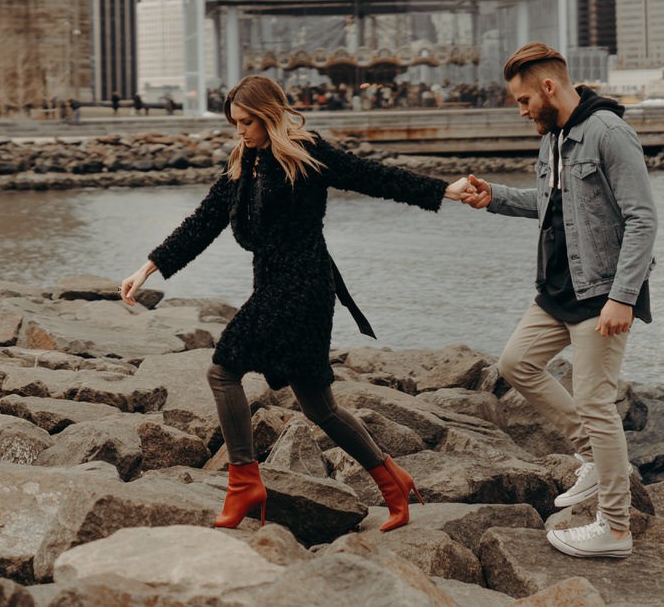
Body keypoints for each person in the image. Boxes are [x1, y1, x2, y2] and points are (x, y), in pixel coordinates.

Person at [120, 75, 472, 532]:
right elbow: (202, 222)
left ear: (270, 116)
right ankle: (393, 481)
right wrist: (147, 268)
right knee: (319, 406)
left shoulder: (307, 155)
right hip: (274, 282)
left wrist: (444, 189)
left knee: (222, 368)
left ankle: (243, 481)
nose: (241, 131)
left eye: (248, 122)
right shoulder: (242, 164)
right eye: (236, 123)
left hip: (303, 284)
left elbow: (374, 176)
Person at [456, 43, 656, 560]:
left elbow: (642, 219)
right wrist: (493, 196)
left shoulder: (609, 133)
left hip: (601, 295)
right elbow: (548, 205)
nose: (521, 111)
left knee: (595, 403)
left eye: (523, 100)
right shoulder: (554, 137)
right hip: (556, 291)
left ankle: (615, 528)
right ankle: (593, 459)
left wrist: (623, 297)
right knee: (516, 363)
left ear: (549, 87)